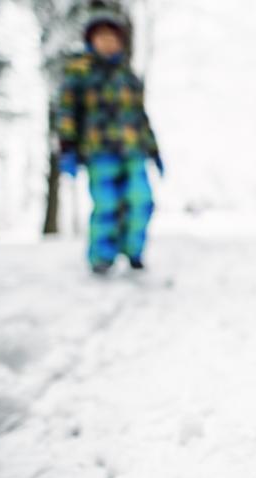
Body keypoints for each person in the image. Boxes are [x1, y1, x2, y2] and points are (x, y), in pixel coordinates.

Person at [56, 2, 163, 275]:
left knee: (141, 200)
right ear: (91, 41)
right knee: (106, 204)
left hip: (133, 149)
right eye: (101, 37)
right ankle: (102, 256)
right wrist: (67, 146)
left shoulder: (128, 77)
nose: (107, 42)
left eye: (112, 37)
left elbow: (140, 116)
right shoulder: (80, 72)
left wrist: (154, 150)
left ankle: (133, 250)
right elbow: (67, 110)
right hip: (99, 151)